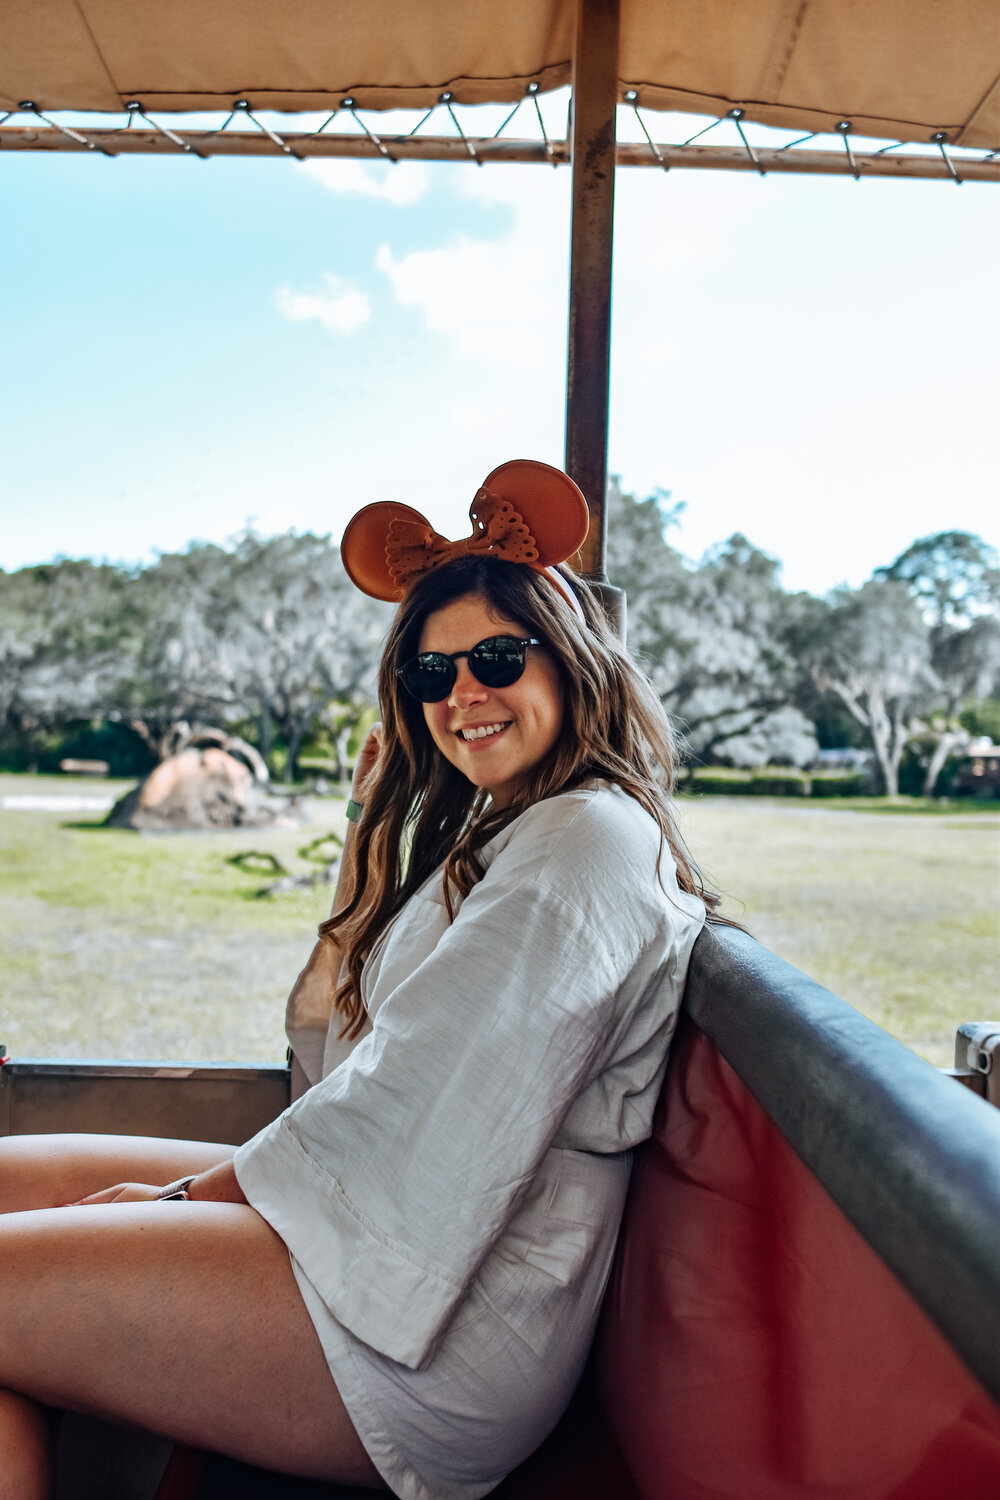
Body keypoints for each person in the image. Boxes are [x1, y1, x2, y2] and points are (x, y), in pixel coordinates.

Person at [0, 460, 711, 1500]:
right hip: (385, 1238)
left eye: (497, 658)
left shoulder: (583, 845)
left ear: (571, 663)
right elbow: (351, 1055)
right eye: (432, 674)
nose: (462, 694)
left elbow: (406, 1107)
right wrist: (366, 840)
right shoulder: (506, 832)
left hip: (433, 1328)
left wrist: (178, 1198)